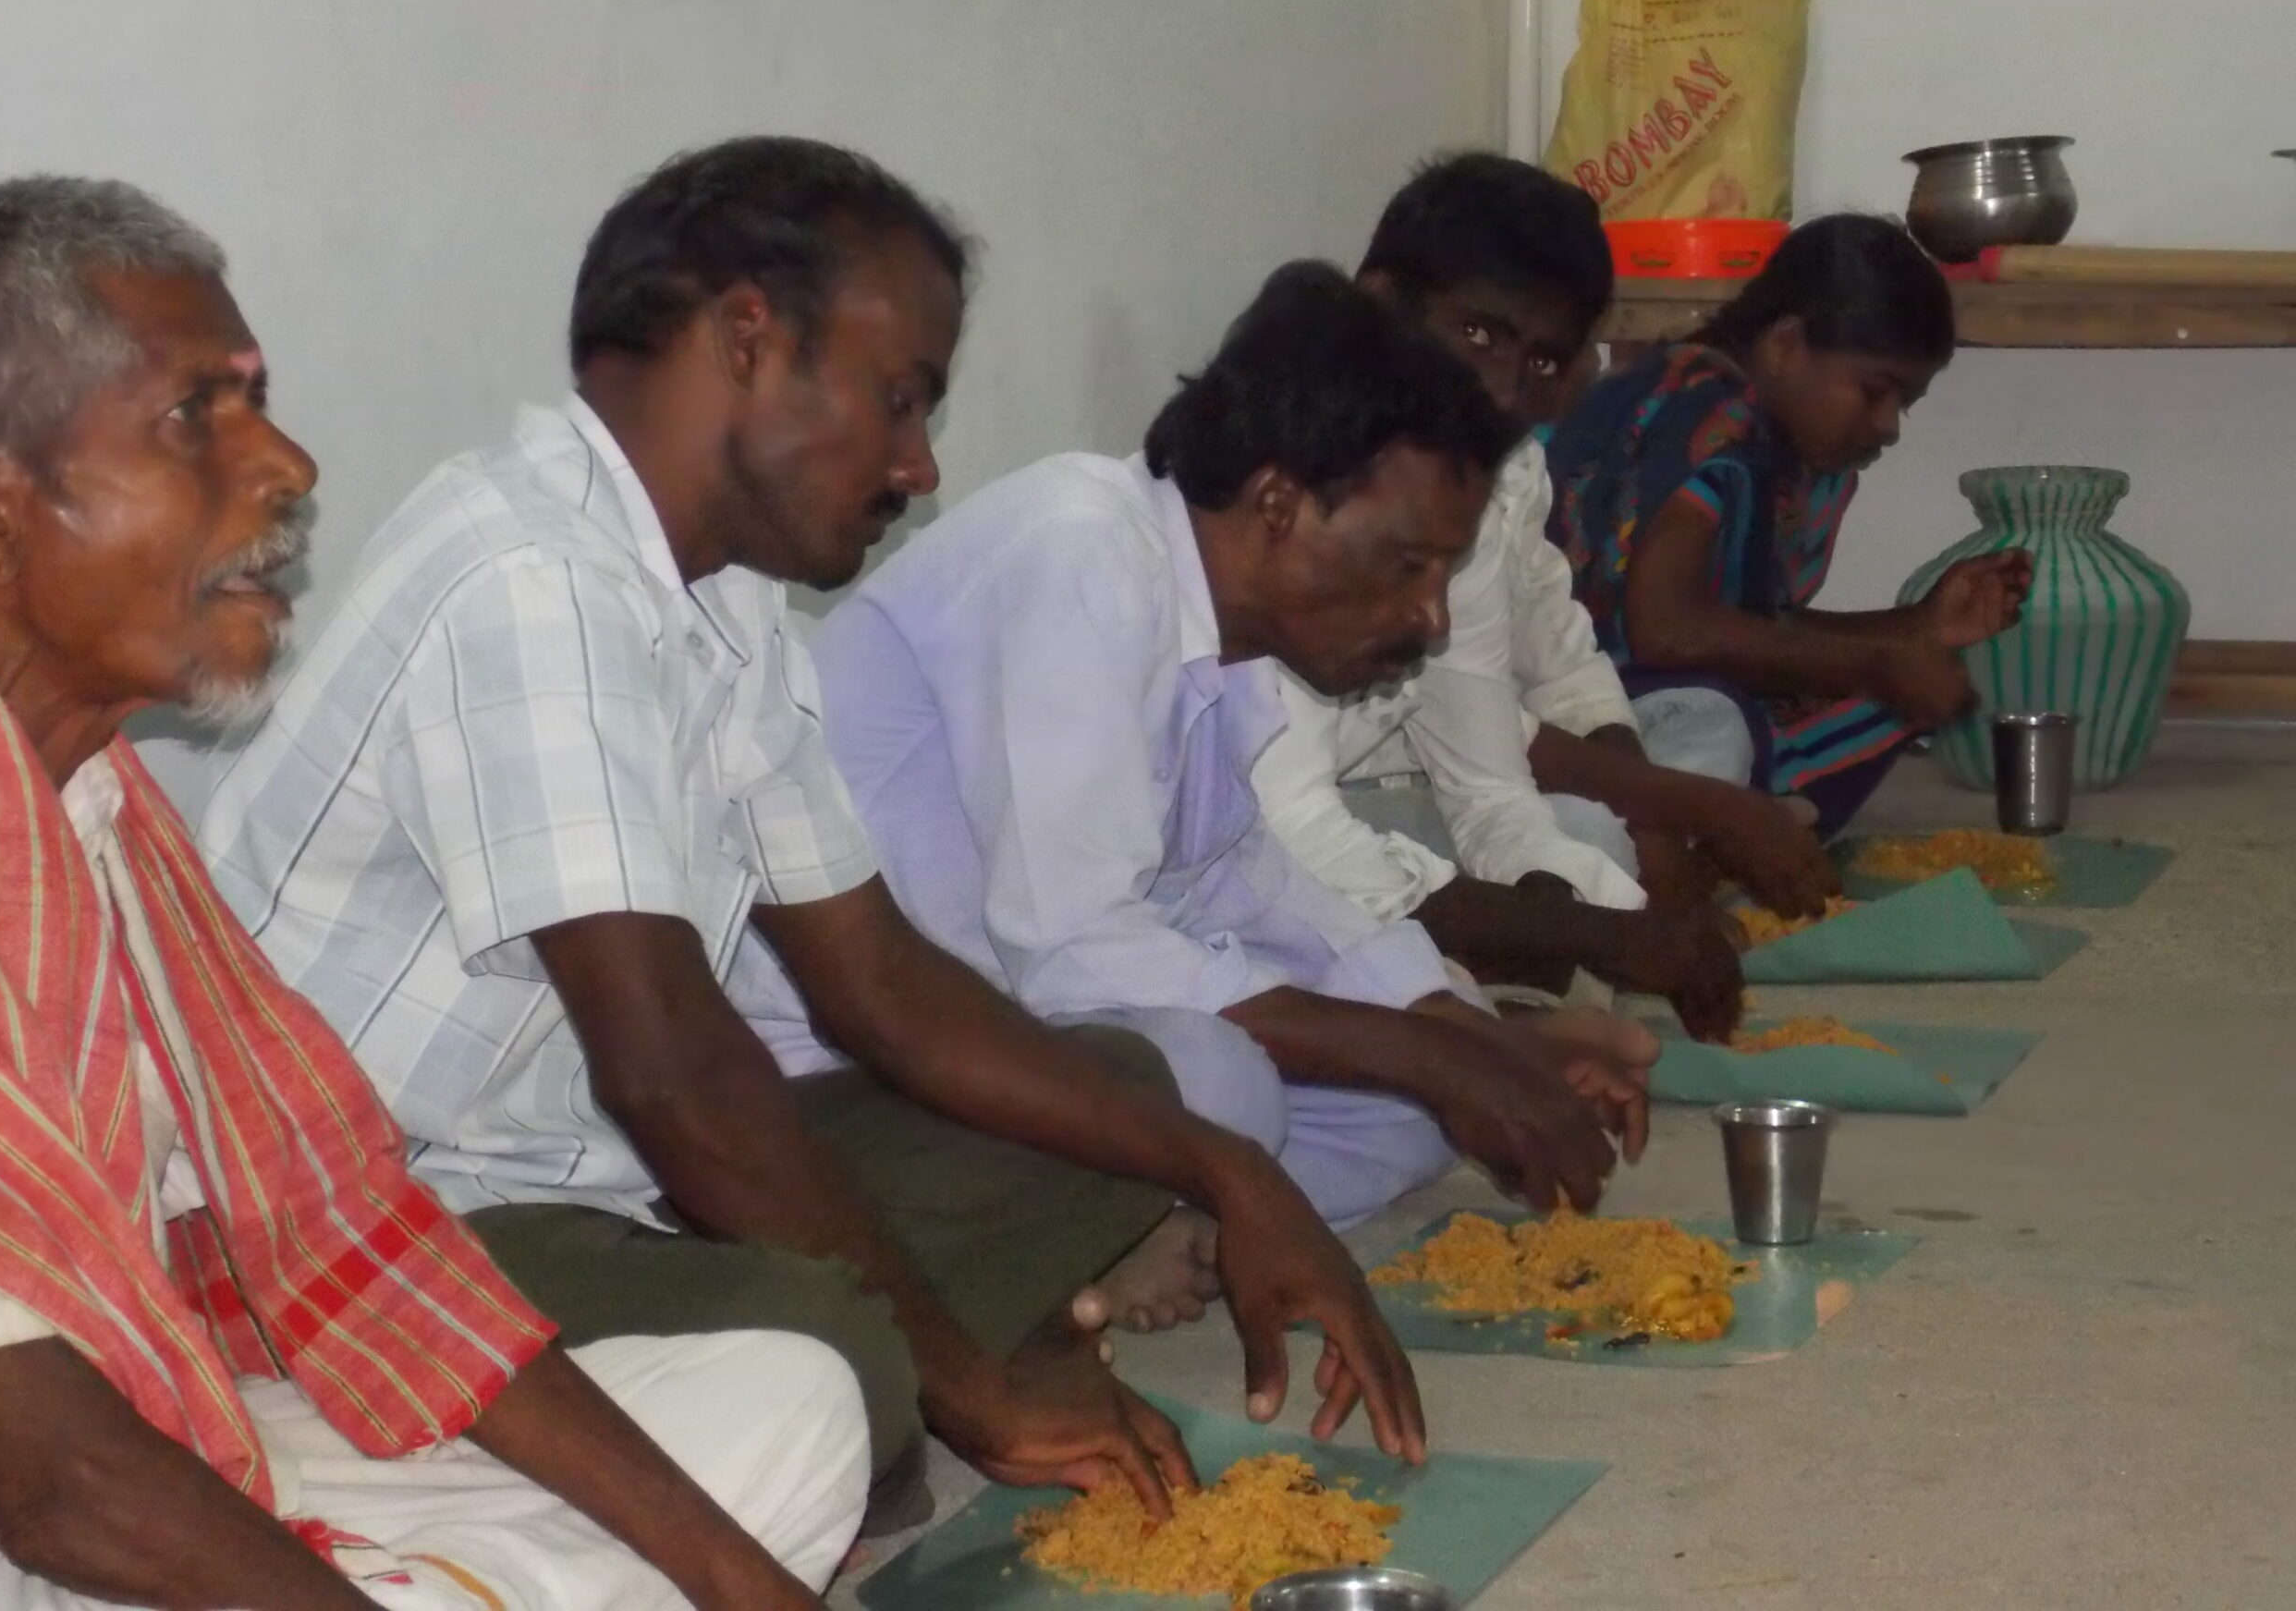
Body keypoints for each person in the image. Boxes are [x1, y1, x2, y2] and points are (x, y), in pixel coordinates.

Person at [201, 139, 1426, 1532]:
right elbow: (670, 1071)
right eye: (898, 399)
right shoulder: (531, 577)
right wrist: (965, 1386)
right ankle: (867, 1374)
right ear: (746, 340)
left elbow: (882, 986)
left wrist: (1225, 1170)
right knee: (838, 1369)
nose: (919, 462)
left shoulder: (724, 602)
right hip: (378, 1231)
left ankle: (841, 1350)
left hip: (600, 1181)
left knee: (1127, 1091)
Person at [0, 176, 866, 1609]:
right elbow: (65, 1492)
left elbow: (356, 1251)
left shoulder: (94, 809)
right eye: (195, 415)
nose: (288, 464)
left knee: (789, 1411)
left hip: (153, 1434)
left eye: (258, 402)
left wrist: (750, 1589)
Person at [811, 261, 1655, 1237]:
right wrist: (1427, 1056)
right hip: (857, 1067)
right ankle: (1104, 1244)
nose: (1432, 619)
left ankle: (1178, 1241)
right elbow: (1074, 948)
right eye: (1409, 563)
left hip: (1020, 1028)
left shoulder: (1221, 638)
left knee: (1409, 1121)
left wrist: (1473, 1040)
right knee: (1223, 1086)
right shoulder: (1078, 549)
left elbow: (1242, 885)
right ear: (1278, 504)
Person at [1253, 156, 1835, 1041]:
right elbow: (1287, 842)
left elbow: (1491, 781)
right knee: (1569, 857)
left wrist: (1608, 901)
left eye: (1540, 360)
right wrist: (1607, 916)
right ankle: (1493, 995)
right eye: (1477, 334)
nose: (1503, 388)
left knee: (1598, 826)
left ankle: (1510, 988)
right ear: (1379, 304)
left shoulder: (1484, 480)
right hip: (1280, 843)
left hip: (1408, 817)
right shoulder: (1295, 487)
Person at [1545, 213, 2032, 834]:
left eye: (1904, 404)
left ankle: (1736, 820)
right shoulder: (1713, 418)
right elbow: (1666, 630)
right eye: (1874, 391)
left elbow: (1747, 624)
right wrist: (1875, 664)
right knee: (1740, 715)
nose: (1889, 426)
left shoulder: (1758, 435)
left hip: (1637, 701)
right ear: (1784, 346)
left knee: (1881, 691)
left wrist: (1917, 627)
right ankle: (1708, 829)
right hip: (1575, 716)